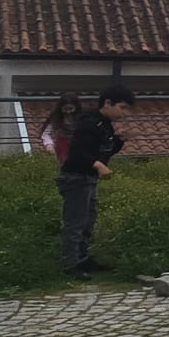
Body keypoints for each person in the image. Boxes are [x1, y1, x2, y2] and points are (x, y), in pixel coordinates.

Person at [57, 85, 133, 275]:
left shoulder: (105, 125)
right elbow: (77, 153)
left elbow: (105, 151)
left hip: (88, 179)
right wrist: (98, 165)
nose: (124, 113)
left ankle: (83, 258)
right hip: (76, 178)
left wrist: (119, 140)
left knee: (88, 221)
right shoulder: (89, 123)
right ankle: (71, 264)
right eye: (122, 107)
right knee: (75, 222)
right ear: (108, 103)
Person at [40, 92, 82, 162]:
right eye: (65, 109)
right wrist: (49, 144)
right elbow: (45, 134)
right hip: (62, 146)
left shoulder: (82, 117)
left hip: (78, 145)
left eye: (70, 109)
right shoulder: (55, 117)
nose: (68, 112)